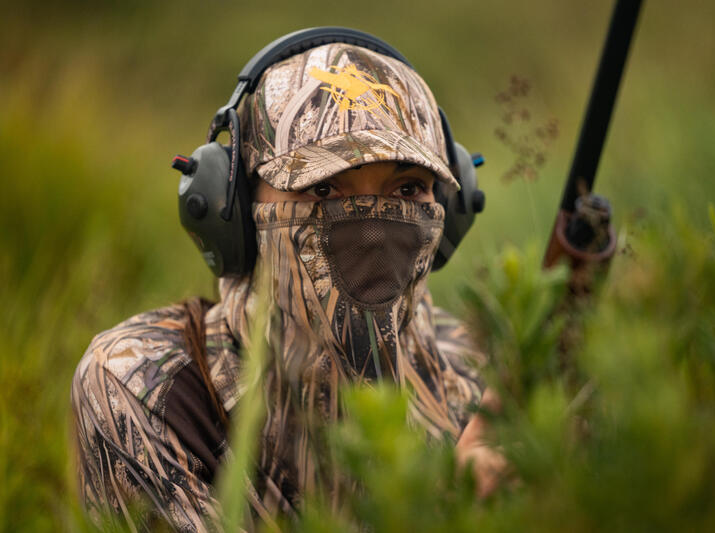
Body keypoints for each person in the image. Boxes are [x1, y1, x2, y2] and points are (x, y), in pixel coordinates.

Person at [71, 28, 613, 531]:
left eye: (407, 191)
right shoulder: (148, 389)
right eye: (325, 191)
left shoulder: (481, 380)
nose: (374, 231)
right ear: (231, 211)